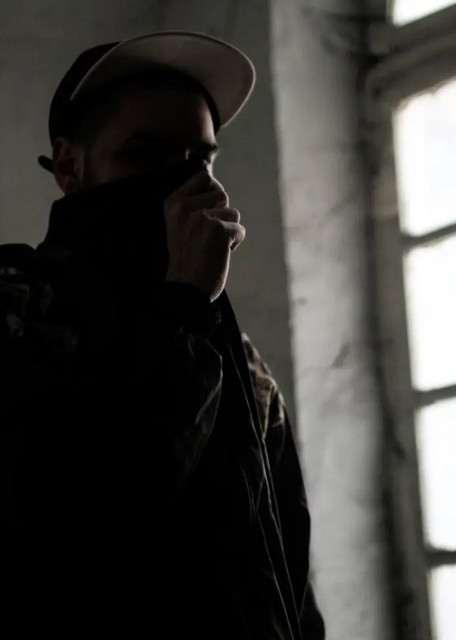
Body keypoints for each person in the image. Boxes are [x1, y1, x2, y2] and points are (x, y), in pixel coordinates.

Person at [0, 31, 324, 638]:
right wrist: (185, 304)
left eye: (201, 161)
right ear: (69, 166)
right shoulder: (19, 305)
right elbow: (77, 516)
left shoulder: (240, 362)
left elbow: (284, 574)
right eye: (146, 154)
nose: (188, 187)